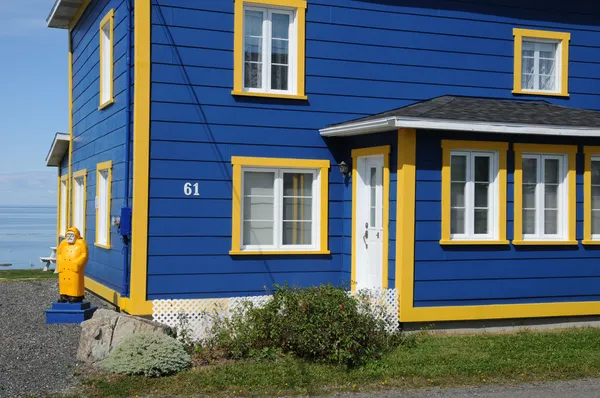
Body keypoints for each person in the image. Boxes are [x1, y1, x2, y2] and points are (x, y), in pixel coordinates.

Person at [56, 227, 89, 303]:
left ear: (76, 235)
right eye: (68, 235)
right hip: (64, 267)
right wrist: (60, 262)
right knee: (64, 282)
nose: (69, 237)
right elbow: (59, 253)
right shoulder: (63, 243)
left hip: (74, 268)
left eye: (71, 235)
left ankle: (75, 296)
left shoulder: (81, 243)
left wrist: (77, 263)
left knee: (75, 282)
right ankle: (64, 295)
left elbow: (84, 255)